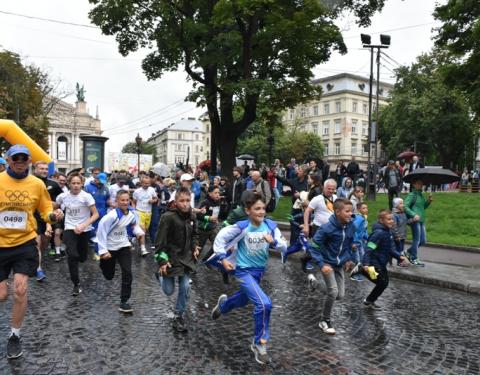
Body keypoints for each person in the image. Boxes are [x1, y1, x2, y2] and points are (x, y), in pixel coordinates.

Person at [0, 145, 64, 359]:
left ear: (29, 161)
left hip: (24, 242)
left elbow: (45, 208)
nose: (20, 161)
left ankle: (15, 335)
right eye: (15, 157)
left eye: (24, 158)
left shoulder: (37, 184)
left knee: (20, 290)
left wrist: (52, 216)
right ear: (8, 160)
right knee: (2, 295)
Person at [210, 192, 287, 365]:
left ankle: (223, 306)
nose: (261, 212)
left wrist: (273, 242)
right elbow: (221, 237)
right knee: (264, 303)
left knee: (244, 299)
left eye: (263, 208)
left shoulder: (270, 226)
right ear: (248, 211)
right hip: (243, 271)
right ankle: (259, 344)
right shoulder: (242, 226)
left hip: (258, 272)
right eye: (257, 209)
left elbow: (284, 246)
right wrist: (222, 257)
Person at [155, 187, 200, 333]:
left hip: (186, 258)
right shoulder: (168, 217)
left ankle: (178, 315)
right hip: (170, 258)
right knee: (168, 291)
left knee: (185, 286)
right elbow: (159, 242)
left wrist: (194, 247)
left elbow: (195, 235)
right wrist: (162, 261)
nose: (185, 204)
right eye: (182, 201)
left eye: (188, 200)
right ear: (176, 202)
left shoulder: (192, 216)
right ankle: (160, 275)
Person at [310, 198, 356, 336]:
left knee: (339, 295)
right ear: (337, 212)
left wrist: (348, 259)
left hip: (339, 264)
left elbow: (348, 244)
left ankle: (314, 283)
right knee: (333, 292)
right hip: (327, 264)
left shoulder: (351, 226)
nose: (350, 214)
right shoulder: (326, 228)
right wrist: (321, 264)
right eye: (347, 211)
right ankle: (325, 320)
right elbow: (314, 246)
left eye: (351, 211)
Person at [96, 190, 144, 313]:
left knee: (127, 272)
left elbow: (134, 225)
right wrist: (103, 251)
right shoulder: (111, 216)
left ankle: (124, 301)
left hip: (123, 246)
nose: (125, 202)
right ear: (117, 201)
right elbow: (101, 232)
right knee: (109, 276)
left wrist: (138, 232)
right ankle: (103, 264)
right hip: (110, 249)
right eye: (122, 200)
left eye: (127, 200)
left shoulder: (132, 214)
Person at [56, 173, 99, 296]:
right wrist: (57, 211)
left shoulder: (86, 197)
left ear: (82, 184)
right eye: (73, 183)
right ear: (69, 184)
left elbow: (95, 214)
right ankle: (76, 283)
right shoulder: (63, 196)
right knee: (72, 255)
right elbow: (54, 204)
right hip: (69, 228)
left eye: (78, 183)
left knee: (82, 257)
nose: (75, 186)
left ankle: (81, 256)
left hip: (84, 229)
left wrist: (83, 225)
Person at [356, 209, 407, 309]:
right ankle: (361, 269)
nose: (391, 221)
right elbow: (369, 248)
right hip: (372, 263)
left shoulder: (388, 232)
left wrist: (399, 256)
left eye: (392, 219)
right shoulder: (378, 233)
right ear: (381, 220)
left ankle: (369, 300)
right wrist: (366, 263)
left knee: (384, 283)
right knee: (381, 282)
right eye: (389, 219)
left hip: (381, 262)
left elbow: (390, 249)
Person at [32, 161, 63, 280]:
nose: (44, 171)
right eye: (41, 169)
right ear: (35, 169)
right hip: (33, 218)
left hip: (48, 219)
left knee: (43, 244)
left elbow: (60, 201)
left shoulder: (53, 184)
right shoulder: (30, 182)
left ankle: (38, 258)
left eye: (46, 169)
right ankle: (38, 269)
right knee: (37, 243)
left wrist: (54, 207)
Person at [404, 179, 432, 267]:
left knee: (423, 241)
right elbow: (405, 206)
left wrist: (428, 202)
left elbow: (422, 207)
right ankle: (414, 258)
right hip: (415, 221)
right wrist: (413, 214)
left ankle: (408, 252)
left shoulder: (421, 196)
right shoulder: (412, 195)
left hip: (421, 220)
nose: (421, 185)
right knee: (417, 240)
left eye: (421, 184)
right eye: (419, 184)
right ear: (414, 184)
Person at [132, 175, 157, 256]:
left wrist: (152, 201)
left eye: (148, 183)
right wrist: (134, 211)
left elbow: (156, 199)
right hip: (139, 212)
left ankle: (134, 238)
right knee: (142, 231)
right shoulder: (137, 191)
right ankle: (143, 249)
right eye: (145, 183)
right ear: (141, 183)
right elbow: (133, 202)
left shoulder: (152, 190)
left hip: (148, 212)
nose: (147, 185)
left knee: (144, 231)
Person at [350, 202, 369, 281]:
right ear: (358, 209)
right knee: (357, 259)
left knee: (362, 257)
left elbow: (363, 230)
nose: (366, 210)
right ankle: (354, 275)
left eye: (366, 208)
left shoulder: (363, 218)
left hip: (360, 242)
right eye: (364, 208)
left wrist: (368, 238)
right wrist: (353, 242)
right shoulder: (359, 218)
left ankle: (358, 272)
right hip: (355, 242)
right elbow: (353, 228)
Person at [391, 198, 410, 268]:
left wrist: (413, 220)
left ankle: (397, 260)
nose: (403, 205)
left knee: (401, 249)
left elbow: (406, 222)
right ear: (396, 205)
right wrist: (396, 235)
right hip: (397, 236)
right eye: (401, 203)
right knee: (398, 249)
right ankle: (400, 262)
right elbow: (393, 226)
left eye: (403, 203)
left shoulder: (403, 213)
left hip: (403, 235)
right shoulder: (394, 215)